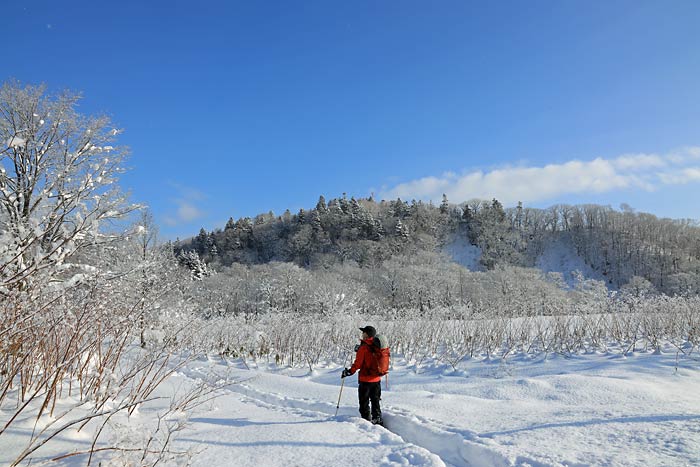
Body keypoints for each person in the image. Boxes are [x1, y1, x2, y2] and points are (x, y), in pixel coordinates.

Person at [342, 325, 383, 425]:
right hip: (377, 379)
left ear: (366, 335)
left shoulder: (363, 347)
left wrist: (349, 372)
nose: (362, 334)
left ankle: (366, 423)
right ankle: (378, 420)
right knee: (375, 401)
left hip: (365, 380)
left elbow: (358, 364)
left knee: (364, 403)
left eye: (363, 332)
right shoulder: (378, 345)